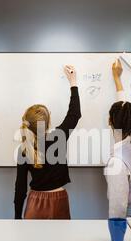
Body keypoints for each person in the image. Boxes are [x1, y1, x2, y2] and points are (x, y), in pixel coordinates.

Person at [14, 66, 81, 219]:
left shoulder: (24, 149)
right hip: (59, 201)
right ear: (48, 121)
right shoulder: (58, 137)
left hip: (34, 204)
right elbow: (75, 113)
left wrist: (17, 218)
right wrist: (73, 82)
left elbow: (20, 188)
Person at [104, 59, 131, 218]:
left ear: (110, 121)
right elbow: (124, 111)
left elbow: (117, 206)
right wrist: (117, 79)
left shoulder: (117, 161)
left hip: (128, 215)